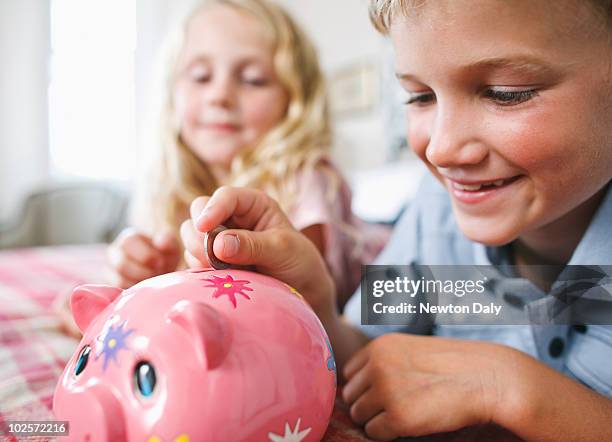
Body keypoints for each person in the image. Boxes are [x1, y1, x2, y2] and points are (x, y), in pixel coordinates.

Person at [181, 0, 612, 440]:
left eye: (506, 92)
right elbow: (372, 360)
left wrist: (507, 387)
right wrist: (315, 304)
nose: (441, 149)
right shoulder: (435, 210)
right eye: (420, 96)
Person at [105, 0, 390, 303]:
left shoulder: (308, 177)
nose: (219, 95)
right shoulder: (171, 189)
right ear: (172, 95)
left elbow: (290, 304)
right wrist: (137, 272)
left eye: (253, 79)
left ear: (295, 99)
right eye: (201, 77)